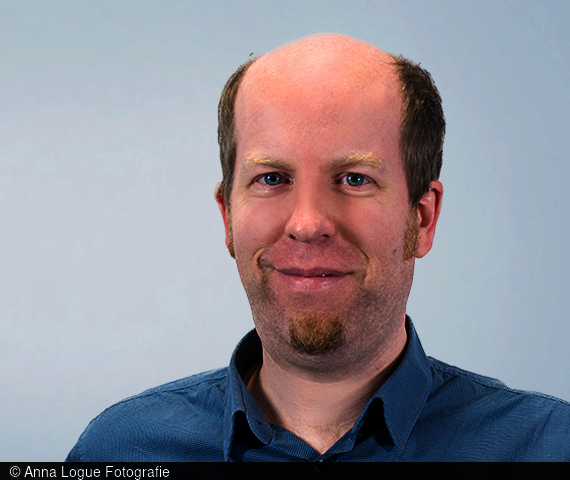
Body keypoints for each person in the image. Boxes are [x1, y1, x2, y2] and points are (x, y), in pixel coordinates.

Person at [66, 33, 570, 462]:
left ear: (422, 218)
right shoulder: (120, 451)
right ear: (227, 217)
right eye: (271, 178)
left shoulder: (549, 447)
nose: (307, 224)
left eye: (354, 179)